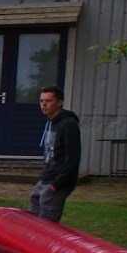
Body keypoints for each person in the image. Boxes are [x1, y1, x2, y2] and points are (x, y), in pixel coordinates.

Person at [31, 85, 80, 222]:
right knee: (32, 215)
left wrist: (56, 184)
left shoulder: (68, 125)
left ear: (59, 102)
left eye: (48, 101)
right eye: (41, 101)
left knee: (46, 222)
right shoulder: (51, 123)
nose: (44, 104)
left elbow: (72, 158)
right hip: (46, 177)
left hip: (57, 182)